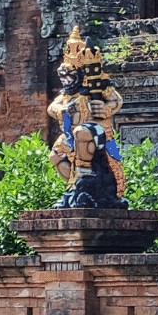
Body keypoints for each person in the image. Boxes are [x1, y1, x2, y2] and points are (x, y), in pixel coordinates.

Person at [48, 26, 126, 208]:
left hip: (96, 130)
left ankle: (84, 176)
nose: (65, 80)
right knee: (55, 156)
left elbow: (116, 100)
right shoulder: (68, 93)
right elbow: (52, 107)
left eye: (69, 76)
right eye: (62, 76)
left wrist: (105, 108)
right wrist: (62, 110)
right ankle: (74, 186)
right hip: (69, 133)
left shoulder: (95, 84)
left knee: (82, 132)